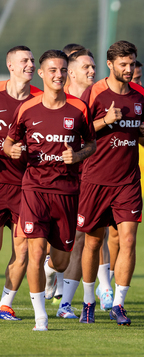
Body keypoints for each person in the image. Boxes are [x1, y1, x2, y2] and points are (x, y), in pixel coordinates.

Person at [4, 49, 96, 330]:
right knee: (33, 250)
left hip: (67, 192)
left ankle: (51, 275)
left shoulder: (79, 108)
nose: (58, 75)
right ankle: (40, 317)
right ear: (42, 74)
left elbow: (91, 144)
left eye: (62, 70)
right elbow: (8, 143)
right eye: (52, 70)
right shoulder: (27, 108)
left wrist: (77, 156)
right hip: (33, 189)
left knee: (59, 260)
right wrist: (14, 150)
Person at [77, 40, 144, 326]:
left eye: (132, 63)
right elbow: (78, 132)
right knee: (94, 242)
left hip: (128, 181)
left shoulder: (138, 96)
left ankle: (119, 304)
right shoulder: (94, 93)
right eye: (123, 64)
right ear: (110, 65)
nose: (129, 69)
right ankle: (88, 302)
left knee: (128, 240)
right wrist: (105, 120)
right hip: (95, 179)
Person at [53, 48, 98, 319]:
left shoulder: (100, 98)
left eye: (93, 67)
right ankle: (52, 272)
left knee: (86, 237)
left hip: (93, 178)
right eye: (86, 67)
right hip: (56, 180)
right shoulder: (58, 100)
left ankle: (67, 304)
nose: (92, 72)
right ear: (71, 72)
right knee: (57, 241)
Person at [0, 46, 42, 321]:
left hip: (26, 187)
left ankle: (4, 304)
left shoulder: (42, 99)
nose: (30, 64)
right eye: (24, 60)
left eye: (32, 60)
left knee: (23, 249)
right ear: (10, 65)